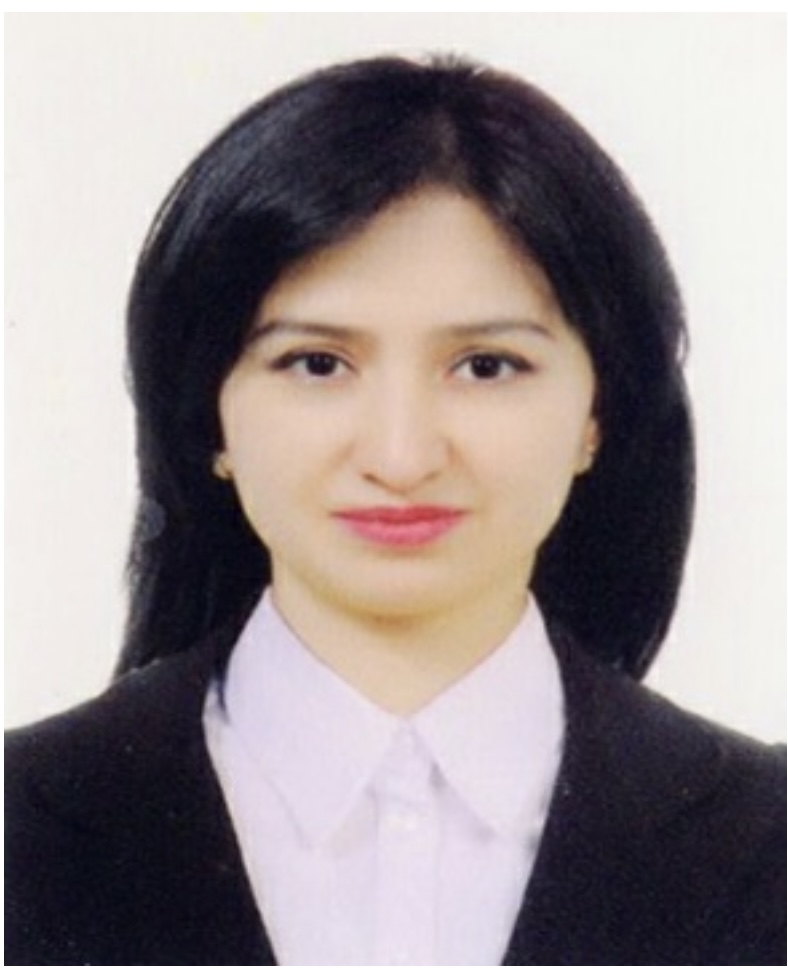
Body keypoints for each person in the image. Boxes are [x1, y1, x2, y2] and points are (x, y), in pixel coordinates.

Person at [5, 54, 784, 967]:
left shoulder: (765, 841)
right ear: (206, 415)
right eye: (317, 364)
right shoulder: (22, 826)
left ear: (597, 414)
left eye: (486, 366)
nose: (402, 456)